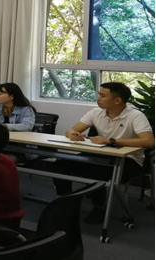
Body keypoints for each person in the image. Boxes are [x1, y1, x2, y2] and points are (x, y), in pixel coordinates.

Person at [55, 82, 154, 223]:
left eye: (102, 96)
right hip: (99, 154)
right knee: (61, 165)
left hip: (129, 159)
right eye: (99, 94)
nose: (98, 98)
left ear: (117, 100)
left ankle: (99, 207)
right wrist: (72, 134)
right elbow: (71, 130)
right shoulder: (95, 112)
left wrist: (112, 141)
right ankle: (65, 201)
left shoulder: (135, 116)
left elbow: (149, 142)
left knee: (97, 172)